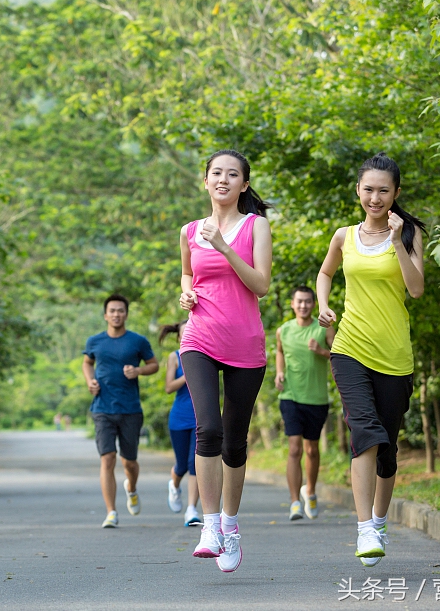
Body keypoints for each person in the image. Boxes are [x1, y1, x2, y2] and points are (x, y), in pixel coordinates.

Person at [316, 152, 424, 568]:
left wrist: (397, 241)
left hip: (394, 355)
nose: (375, 198)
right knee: (365, 431)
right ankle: (364, 529)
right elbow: (326, 273)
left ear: (395, 193)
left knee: (387, 449)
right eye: (368, 189)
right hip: (349, 348)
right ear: (358, 190)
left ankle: (379, 520)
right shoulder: (344, 236)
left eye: (383, 190)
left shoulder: (410, 234)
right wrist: (325, 305)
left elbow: (415, 290)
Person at [178, 149, 272, 573]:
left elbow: (262, 284)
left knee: (235, 442)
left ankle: (231, 525)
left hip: (244, 344)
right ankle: (209, 526)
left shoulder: (257, 227)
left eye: (232, 174)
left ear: (243, 185)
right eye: (216, 173)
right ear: (206, 181)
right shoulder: (189, 231)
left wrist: (225, 248)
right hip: (199, 336)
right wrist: (185, 293)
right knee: (208, 429)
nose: (223, 180)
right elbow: (187, 274)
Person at [82, 294, 159, 529]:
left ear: (126, 314)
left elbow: (154, 365)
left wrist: (138, 371)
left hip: (130, 409)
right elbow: (87, 363)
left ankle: (131, 488)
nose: (116, 314)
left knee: (130, 462)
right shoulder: (95, 341)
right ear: (105, 315)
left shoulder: (137, 341)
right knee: (108, 459)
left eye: (121, 310)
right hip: (102, 408)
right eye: (112, 310)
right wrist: (90, 381)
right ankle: (111, 512)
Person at [274, 285, 334, 522]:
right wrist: (279, 372)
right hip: (290, 395)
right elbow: (279, 351)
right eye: (299, 301)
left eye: (308, 301)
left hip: (317, 398)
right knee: (295, 448)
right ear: (292, 303)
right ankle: (294, 503)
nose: (303, 306)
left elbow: (341, 353)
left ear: (314, 303)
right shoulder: (283, 330)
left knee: (311, 449)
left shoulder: (324, 328)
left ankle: (309, 491)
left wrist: (321, 351)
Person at [159, 320, 201, 527]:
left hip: (200, 417)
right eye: (183, 333)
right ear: (178, 337)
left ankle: (192, 510)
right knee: (182, 465)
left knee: (196, 464)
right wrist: (188, 375)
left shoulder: (205, 355)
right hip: (179, 417)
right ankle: (174, 485)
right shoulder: (174, 357)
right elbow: (168, 387)